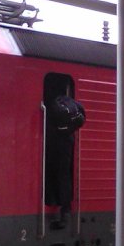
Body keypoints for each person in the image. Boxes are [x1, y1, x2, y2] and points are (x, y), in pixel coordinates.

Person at [45, 92, 85, 229]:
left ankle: (53, 201)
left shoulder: (52, 107)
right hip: (67, 142)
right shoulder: (73, 106)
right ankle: (65, 210)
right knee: (64, 175)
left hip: (56, 144)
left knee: (54, 172)